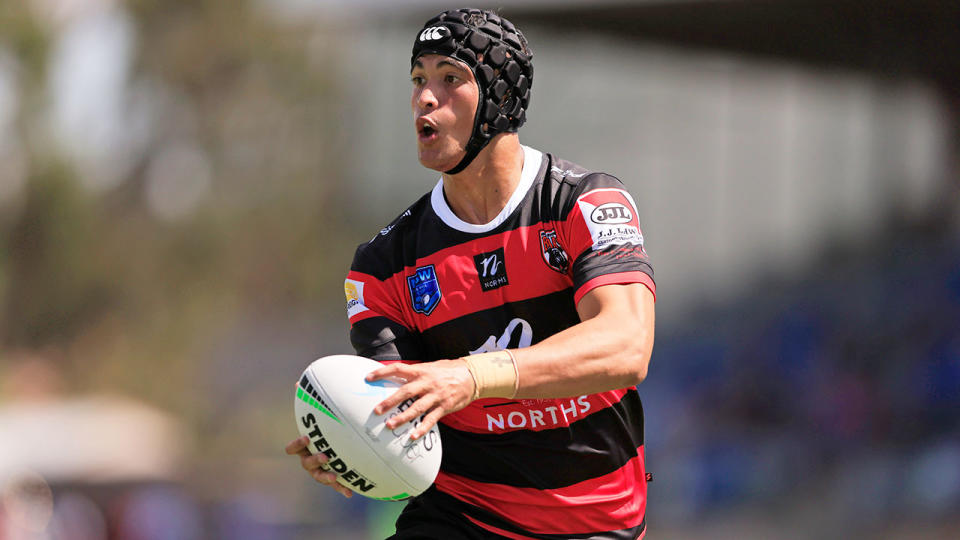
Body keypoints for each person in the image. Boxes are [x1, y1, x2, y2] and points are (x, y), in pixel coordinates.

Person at [286, 8, 656, 539]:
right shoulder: (384, 267)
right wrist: (348, 441)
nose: (424, 98)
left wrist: (471, 376)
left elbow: (626, 347)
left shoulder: (584, 202)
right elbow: (401, 414)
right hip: (461, 519)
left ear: (501, 96)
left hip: (598, 523)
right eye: (417, 80)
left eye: (449, 78)